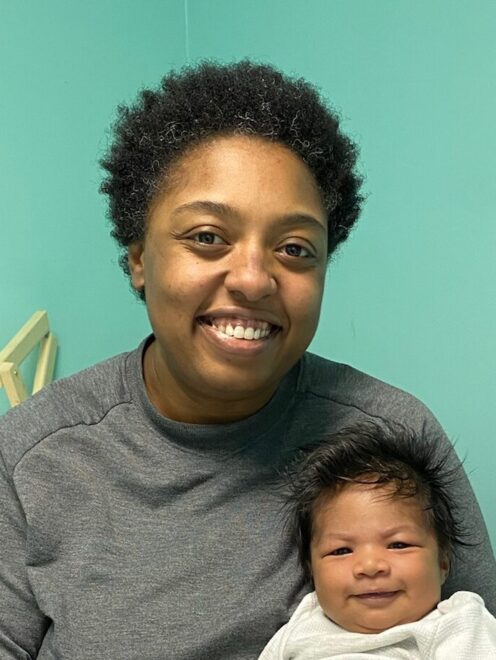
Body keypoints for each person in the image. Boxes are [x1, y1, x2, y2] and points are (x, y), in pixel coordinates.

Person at [0, 61, 494, 660]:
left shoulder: (392, 437)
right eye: (208, 237)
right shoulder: (32, 457)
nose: (255, 279)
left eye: (294, 248)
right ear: (137, 257)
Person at [259, 421, 496, 659]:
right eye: (341, 550)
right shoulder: (301, 626)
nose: (370, 567)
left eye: (398, 545)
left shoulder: (457, 624)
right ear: (312, 571)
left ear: (443, 562)